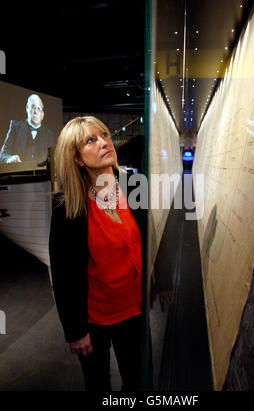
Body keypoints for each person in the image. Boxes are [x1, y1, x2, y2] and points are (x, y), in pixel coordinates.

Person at [49, 116, 147, 392]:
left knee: (138, 382)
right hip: (95, 320)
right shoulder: (67, 206)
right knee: (98, 385)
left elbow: (147, 240)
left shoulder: (135, 184)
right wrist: (75, 331)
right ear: (77, 159)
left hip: (135, 310)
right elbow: (63, 273)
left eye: (104, 134)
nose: (104, 142)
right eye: (91, 140)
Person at [0, 94, 54, 163]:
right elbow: (2, 155)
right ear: (27, 108)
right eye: (33, 107)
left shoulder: (49, 135)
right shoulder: (15, 127)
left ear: (42, 114)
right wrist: (9, 159)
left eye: (39, 109)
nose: (36, 112)